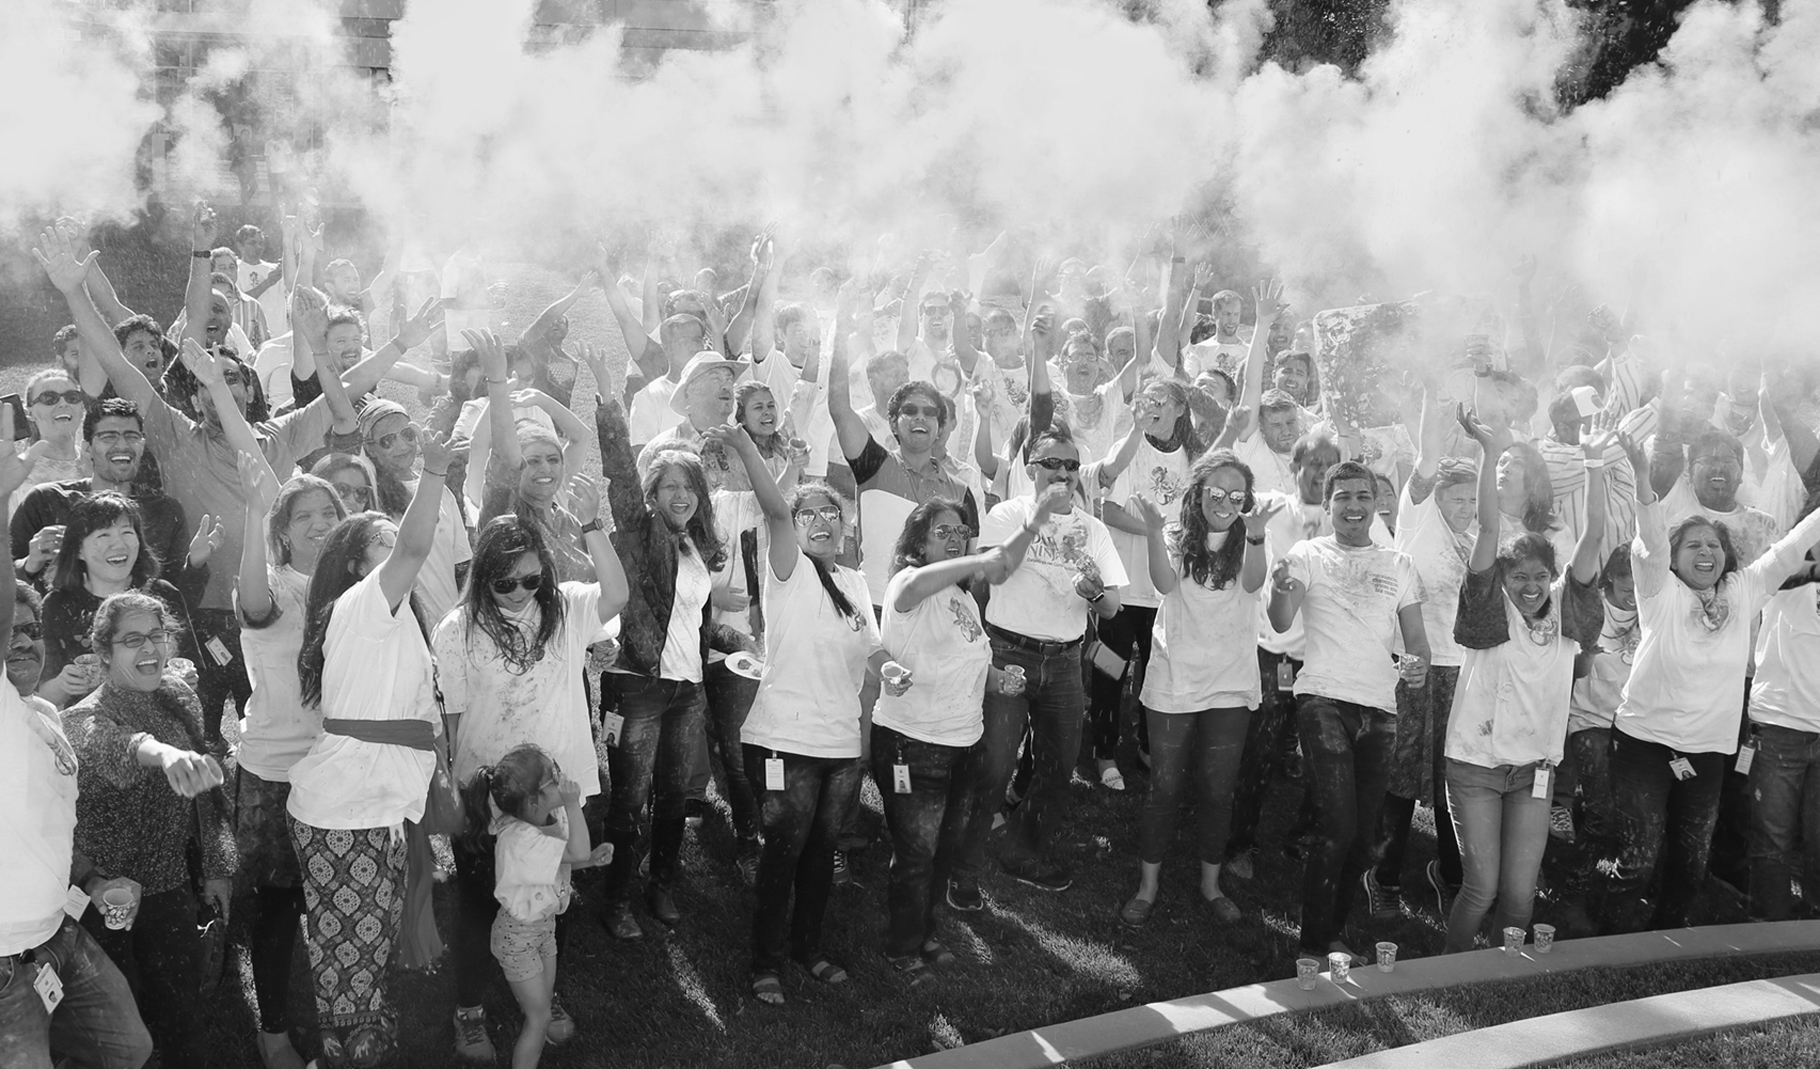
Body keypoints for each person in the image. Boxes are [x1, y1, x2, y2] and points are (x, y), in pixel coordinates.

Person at [36, 221, 439, 746]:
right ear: (194, 393)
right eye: (206, 378)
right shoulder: (176, 436)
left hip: (278, 607)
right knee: (193, 736)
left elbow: (351, 387)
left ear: (249, 390)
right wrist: (72, 292)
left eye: (229, 377)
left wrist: (401, 342)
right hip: (200, 614)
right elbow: (115, 360)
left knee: (291, 723)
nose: (215, 386)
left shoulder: (279, 435)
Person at [285, 429, 458, 1068]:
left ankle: (355, 1047)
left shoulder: (392, 619)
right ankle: (347, 1056)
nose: (401, 555)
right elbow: (415, 544)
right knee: (349, 964)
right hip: (345, 814)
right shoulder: (363, 606)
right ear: (359, 567)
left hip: (370, 806)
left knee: (362, 952)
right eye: (382, 546)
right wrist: (434, 474)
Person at [1601, 435, 1820, 934]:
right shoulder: (1658, 589)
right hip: (1644, 745)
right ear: (1675, 559)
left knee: (1690, 862)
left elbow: (1788, 551)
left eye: (1714, 546)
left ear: (1727, 556)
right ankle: (1609, 945)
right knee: (1637, 858)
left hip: (1705, 754)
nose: (1705, 553)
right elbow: (1652, 539)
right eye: (1693, 546)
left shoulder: (1745, 590)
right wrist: (1642, 482)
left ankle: (1664, 938)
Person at [716, 424, 903, 1006]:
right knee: (784, 850)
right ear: (795, 530)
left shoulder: (852, 580)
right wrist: (749, 447)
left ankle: (808, 948)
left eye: (832, 515)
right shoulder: (788, 572)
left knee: (823, 851)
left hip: (840, 745)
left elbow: (872, 652)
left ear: (845, 526)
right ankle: (765, 962)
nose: (822, 522)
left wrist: (890, 672)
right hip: (782, 740)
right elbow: (773, 509)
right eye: (810, 515)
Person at [436, 509, 626, 1063]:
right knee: (478, 905)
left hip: (554, 789)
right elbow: (452, 723)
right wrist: (455, 790)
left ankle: (543, 994)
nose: (520, 591)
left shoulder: (564, 607)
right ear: (483, 575)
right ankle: (469, 1011)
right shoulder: (458, 630)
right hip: (489, 795)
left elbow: (615, 594)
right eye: (505, 581)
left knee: (552, 898)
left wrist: (593, 524)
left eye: (531, 578)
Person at [0, 417, 155, 1069]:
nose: (25, 642)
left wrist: (96, 880)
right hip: (6, 966)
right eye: (11, 631)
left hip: (60, 937)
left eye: (32, 628)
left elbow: (50, 831)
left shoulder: (41, 714)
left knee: (128, 1046)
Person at [870, 490, 1058, 982]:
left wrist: (998, 678)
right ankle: (902, 948)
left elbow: (969, 660)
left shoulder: (963, 601)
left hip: (960, 746)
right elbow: (975, 568)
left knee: (942, 849)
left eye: (960, 530)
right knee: (915, 854)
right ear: (918, 543)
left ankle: (927, 932)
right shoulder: (906, 586)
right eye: (943, 532)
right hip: (910, 747)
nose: (955, 538)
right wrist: (978, 557)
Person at [1439, 411, 1607, 953]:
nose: (1530, 586)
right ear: (1503, 581)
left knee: (1518, 896)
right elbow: (1490, 528)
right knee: (1481, 888)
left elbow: (1595, 536)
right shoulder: (1491, 610)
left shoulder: (1567, 611)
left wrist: (1597, 462)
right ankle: (1443, 977)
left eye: (1540, 576)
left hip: (1535, 766)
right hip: (1476, 762)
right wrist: (1490, 454)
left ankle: (1499, 981)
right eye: (1519, 577)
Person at [593, 393, 749, 941]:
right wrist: (609, 397)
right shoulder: (639, 534)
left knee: (675, 795)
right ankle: (614, 899)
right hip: (637, 687)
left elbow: (691, 620)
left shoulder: (695, 545)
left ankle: (660, 885)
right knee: (630, 799)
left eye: (688, 487)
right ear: (652, 494)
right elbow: (616, 472)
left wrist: (735, 641)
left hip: (687, 688)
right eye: (669, 488)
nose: (680, 496)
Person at [952, 426, 1129, 904]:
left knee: (1058, 766)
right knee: (994, 764)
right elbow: (993, 573)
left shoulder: (1093, 530)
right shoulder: (1006, 514)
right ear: (1031, 468)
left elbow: (1111, 605)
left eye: (1072, 466)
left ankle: (1022, 851)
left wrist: (1093, 591)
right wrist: (1036, 520)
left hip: (1066, 662)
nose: (1064, 473)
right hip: (1009, 652)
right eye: (1053, 464)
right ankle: (963, 868)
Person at [1267, 459, 1430, 963]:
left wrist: (1417, 667)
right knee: (1337, 826)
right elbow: (1279, 620)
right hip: (1322, 700)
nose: (1354, 506)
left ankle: (1330, 932)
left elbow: (1417, 643)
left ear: (1376, 502)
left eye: (1363, 496)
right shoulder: (1308, 554)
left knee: (1363, 837)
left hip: (1381, 710)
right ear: (1330, 504)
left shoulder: (1399, 565)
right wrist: (1279, 588)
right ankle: (1315, 945)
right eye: (1343, 498)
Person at [63, 591, 233, 1069]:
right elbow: (115, 747)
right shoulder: (80, 719)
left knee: (182, 1013)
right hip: (101, 897)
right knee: (120, 1027)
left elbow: (205, 790)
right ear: (104, 653)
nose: (150, 650)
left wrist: (218, 865)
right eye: (132, 640)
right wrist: (163, 753)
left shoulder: (179, 695)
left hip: (168, 885)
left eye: (156, 636)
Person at [1120, 450, 1279, 927]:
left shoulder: (1251, 539)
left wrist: (1256, 533)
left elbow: (1253, 584)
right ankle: (1148, 886)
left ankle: (1210, 886)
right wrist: (1151, 530)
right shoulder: (1175, 535)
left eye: (1237, 496)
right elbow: (1164, 584)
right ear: (1199, 493)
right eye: (1217, 492)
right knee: (1164, 788)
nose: (1226, 502)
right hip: (1175, 679)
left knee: (1217, 790)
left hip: (1229, 684)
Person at [231, 457, 341, 1069]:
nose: (320, 524)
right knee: (278, 903)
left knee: (334, 899)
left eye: (330, 513)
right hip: (276, 771)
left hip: (342, 764)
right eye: (305, 517)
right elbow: (253, 605)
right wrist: (253, 510)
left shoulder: (354, 588)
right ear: (282, 530)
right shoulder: (271, 585)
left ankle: (343, 1014)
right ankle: (273, 1032)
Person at [1367, 380, 1475, 919]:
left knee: (1456, 773)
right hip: (1413, 665)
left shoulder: (1480, 534)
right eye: (1459, 498)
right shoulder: (1417, 516)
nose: (1466, 507)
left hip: (1464, 672)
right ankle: (1383, 875)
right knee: (1404, 772)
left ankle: (1450, 874)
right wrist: (1438, 384)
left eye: (1473, 500)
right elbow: (1430, 457)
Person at [458, 746, 600, 1069]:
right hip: (519, 939)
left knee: (543, 1007)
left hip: (541, 928)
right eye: (554, 778)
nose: (561, 780)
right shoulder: (523, 840)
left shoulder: (535, 824)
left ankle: (534, 1051)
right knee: (538, 1018)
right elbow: (574, 850)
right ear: (534, 800)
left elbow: (561, 862)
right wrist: (574, 804)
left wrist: (589, 860)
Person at [1091, 378, 1202, 791]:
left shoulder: (1194, 456)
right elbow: (1108, 510)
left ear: (1179, 409)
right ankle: (1103, 752)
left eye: (1161, 401)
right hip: (1123, 582)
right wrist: (1156, 532)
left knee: (1156, 673)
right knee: (1111, 669)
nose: (1152, 407)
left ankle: (1148, 747)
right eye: (1147, 400)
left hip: (1167, 587)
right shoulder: (1129, 447)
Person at [38, 494, 204, 711]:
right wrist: (63, 684)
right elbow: (41, 695)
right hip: (90, 728)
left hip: (158, 723)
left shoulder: (163, 595)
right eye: (104, 534)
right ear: (78, 549)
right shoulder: (58, 604)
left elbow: (191, 673)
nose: (119, 543)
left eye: (127, 532)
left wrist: (188, 680)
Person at [12, 399, 188, 595]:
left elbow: (176, 597)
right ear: (87, 448)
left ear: (142, 445)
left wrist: (196, 566)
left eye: (132, 436)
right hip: (60, 621)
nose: (122, 445)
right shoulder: (46, 500)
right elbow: (5, 580)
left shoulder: (165, 511)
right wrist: (30, 563)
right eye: (108, 437)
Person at [1744, 517, 1820, 922]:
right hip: (1779, 729)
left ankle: (1812, 941)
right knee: (1772, 841)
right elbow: (1778, 573)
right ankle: (1765, 936)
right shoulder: (1785, 573)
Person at [361, 399, 473, 623]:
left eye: (407, 434)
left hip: (449, 627)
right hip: (404, 630)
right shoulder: (368, 497)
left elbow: (462, 565)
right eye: (387, 441)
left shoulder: (440, 489)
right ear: (370, 449)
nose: (402, 446)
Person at [11, 369, 89, 508]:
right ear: (30, 413)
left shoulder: (97, 465)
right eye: (49, 398)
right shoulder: (16, 474)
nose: (63, 403)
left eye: (72, 397)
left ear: (81, 408)